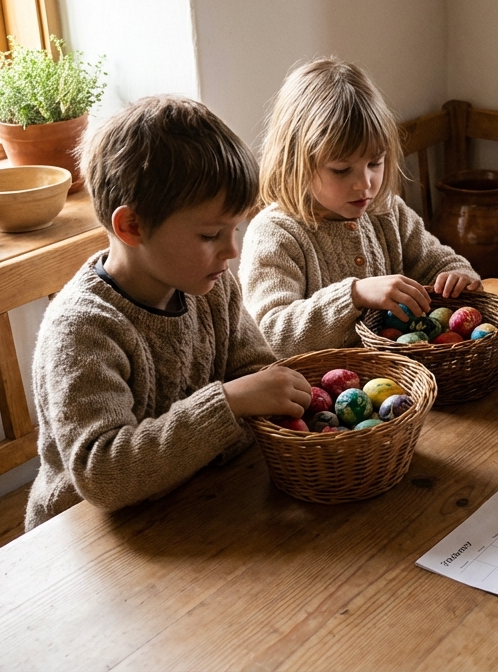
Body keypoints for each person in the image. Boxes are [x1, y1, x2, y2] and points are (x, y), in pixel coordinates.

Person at [26, 96, 312, 531]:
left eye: (234, 229)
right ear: (132, 227)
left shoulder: (213, 289)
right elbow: (104, 477)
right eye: (211, 234)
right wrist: (230, 404)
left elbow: (256, 375)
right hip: (86, 543)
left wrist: (245, 405)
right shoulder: (83, 328)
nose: (233, 250)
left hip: (192, 504)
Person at [241, 57, 480, 357]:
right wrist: (355, 294)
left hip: (402, 381)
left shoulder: (386, 211)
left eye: (375, 163)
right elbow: (272, 334)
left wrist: (457, 276)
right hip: (317, 392)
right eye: (341, 170)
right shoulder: (275, 234)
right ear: (295, 163)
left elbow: (439, 263)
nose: (364, 184)